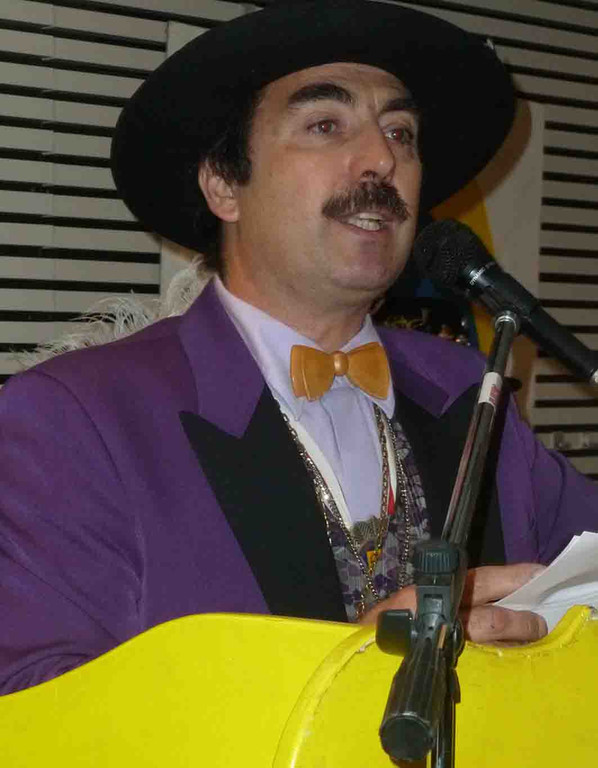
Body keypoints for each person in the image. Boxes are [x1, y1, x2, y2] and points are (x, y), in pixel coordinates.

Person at [0, 0, 596, 695]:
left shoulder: (471, 392)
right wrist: (331, 682)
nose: (383, 158)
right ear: (224, 184)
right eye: (325, 125)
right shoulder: (75, 418)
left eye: (400, 133)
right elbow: (36, 708)